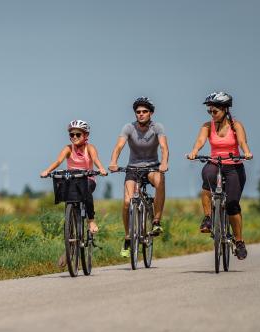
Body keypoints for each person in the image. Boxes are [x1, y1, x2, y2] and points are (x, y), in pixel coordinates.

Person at [187, 91, 253, 259]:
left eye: (214, 111)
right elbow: (200, 141)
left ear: (225, 110)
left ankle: (239, 241)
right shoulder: (207, 126)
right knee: (207, 176)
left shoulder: (235, 125)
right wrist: (194, 151)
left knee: (232, 204)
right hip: (215, 163)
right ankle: (208, 218)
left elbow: (242, 141)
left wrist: (246, 152)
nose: (212, 114)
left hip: (233, 167)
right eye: (209, 111)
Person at [108, 97, 169, 258]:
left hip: (152, 167)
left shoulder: (157, 127)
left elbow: (164, 147)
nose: (141, 114)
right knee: (128, 202)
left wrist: (164, 163)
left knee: (160, 180)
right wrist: (113, 162)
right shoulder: (129, 128)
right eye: (138, 112)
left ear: (151, 113)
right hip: (133, 169)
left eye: (144, 112)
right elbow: (118, 146)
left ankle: (156, 221)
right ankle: (128, 237)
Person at [41, 119, 108, 233]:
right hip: (72, 180)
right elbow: (58, 161)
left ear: (86, 135)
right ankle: (70, 221)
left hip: (87, 179)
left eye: (78, 134)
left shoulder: (90, 148)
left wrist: (101, 168)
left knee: (86, 189)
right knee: (65, 192)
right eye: (72, 134)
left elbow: (96, 159)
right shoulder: (68, 148)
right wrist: (47, 171)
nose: (74, 137)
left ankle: (91, 220)